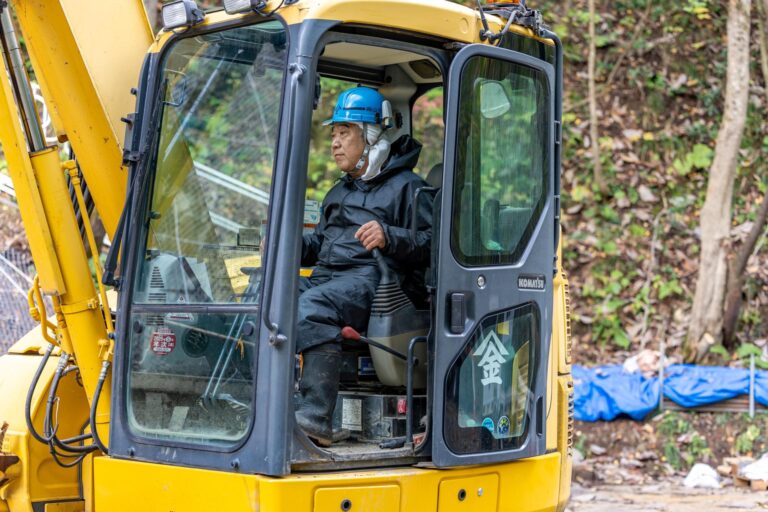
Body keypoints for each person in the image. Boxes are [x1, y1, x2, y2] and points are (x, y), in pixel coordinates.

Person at [294, 86, 433, 446]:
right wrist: (288, 247)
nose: (335, 143)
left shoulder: (408, 189)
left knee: (311, 308)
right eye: (334, 134)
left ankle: (314, 418)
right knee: (263, 295)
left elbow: (434, 245)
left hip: (376, 282)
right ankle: (254, 403)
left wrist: (390, 236)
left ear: (371, 137)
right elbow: (320, 247)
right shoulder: (339, 192)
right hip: (331, 279)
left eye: (345, 133)